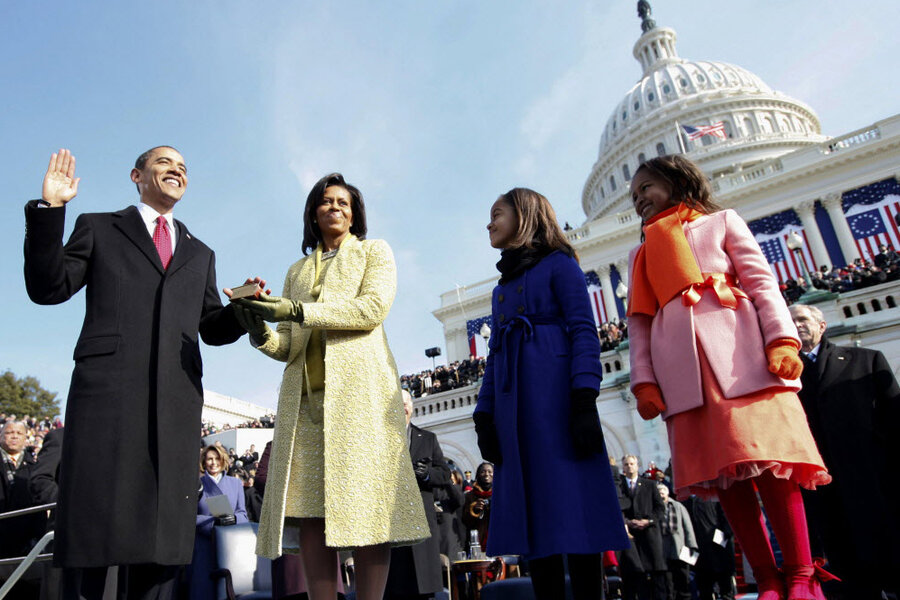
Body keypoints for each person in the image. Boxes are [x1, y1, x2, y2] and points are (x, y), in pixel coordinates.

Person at [23, 147, 246, 600]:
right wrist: (52, 211)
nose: (176, 170)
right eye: (165, 163)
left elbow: (211, 327)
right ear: (136, 175)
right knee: (95, 539)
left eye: (184, 166)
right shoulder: (100, 227)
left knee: (161, 548)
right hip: (108, 400)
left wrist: (242, 310)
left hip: (174, 407)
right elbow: (48, 288)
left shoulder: (200, 253)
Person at [625, 155, 831, 600]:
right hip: (686, 377)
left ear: (676, 180)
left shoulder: (722, 222)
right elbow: (639, 323)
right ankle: (767, 577)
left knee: (775, 468)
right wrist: (644, 379)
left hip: (743, 360)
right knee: (726, 482)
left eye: (646, 187)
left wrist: (781, 340)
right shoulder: (639, 252)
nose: (639, 198)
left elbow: (762, 283)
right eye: (634, 194)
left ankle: (799, 575)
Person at [231, 173, 427, 600]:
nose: (334, 207)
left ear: (354, 213)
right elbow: (288, 344)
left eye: (343, 202)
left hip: (362, 400)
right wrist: (258, 331)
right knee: (310, 514)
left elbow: (371, 309)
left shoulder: (374, 251)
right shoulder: (297, 270)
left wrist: (297, 309)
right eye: (325, 202)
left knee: (369, 507)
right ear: (313, 214)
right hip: (304, 403)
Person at [473, 187, 629, 600]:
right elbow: (494, 354)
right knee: (531, 517)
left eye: (497, 213)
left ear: (524, 215)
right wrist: (484, 414)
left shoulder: (560, 265)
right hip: (514, 411)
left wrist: (583, 396)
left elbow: (583, 329)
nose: (489, 223)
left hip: (557, 403)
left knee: (574, 510)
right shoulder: (501, 288)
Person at [789, 304, 900, 599]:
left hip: (874, 485)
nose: (796, 325)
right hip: (824, 496)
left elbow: (894, 421)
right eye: (790, 322)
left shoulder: (866, 360)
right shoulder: (783, 380)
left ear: (821, 325)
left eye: (802, 319)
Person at [384, 391, 451, 600]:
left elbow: (445, 474)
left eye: (406, 403)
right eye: (399, 404)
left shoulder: (428, 438)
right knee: (394, 586)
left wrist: (427, 474)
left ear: (412, 407)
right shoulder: (381, 439)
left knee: (422, 588)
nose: (403, 408)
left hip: (422, 523)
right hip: (391, 523)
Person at [188, 445, 248, 600]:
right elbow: (190, 517)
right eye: (209, 459)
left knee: (226, 591)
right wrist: (213, 522)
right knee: (203, 592)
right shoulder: (198, 484)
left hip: (229, 546)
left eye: (217, 459)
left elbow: (243, 514)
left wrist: (234, 519)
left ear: (223, 460)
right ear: (204, 461)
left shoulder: (235, 484)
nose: (213, 462)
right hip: (204, 546)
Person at [618, 455, 666, 600]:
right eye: (626, 464)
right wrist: (626, 521)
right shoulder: (619, 487)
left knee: (656, 576)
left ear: (637, 465)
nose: (629, 467)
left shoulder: (649, 485)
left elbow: (660, 508)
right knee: (634, 575)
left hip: (649, 535)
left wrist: (648, 520)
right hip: (630, 538)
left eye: (632, 464)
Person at [657, 484, 696, 600]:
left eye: (663, 490)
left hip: (679, 548)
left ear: (668, 492)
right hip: (663, 548)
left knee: (683, 577)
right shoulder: (654, 508)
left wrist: (691, 545)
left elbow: (687, 526)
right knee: (668, 581)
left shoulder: (678, 506)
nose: (661, 493)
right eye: (658, 491)